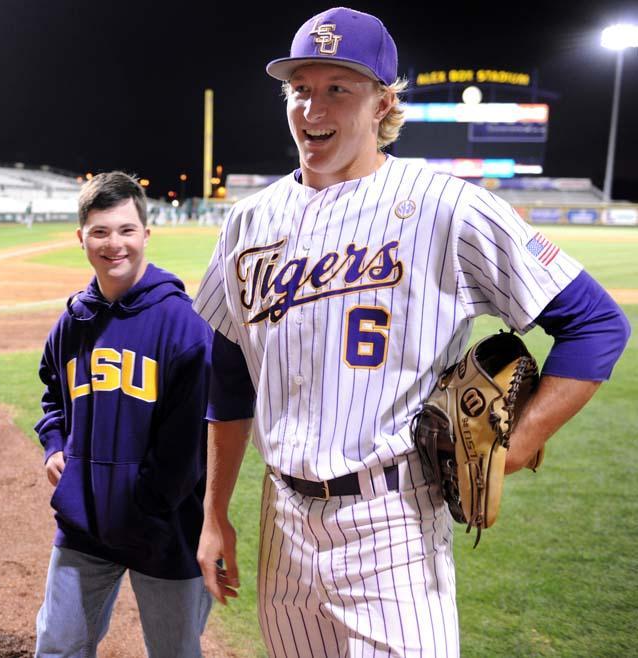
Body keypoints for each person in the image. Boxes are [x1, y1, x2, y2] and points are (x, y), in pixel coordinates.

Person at [193, 7, 631, 657]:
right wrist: (213, 513)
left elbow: (596, 323)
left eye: (338, 88)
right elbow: (228, 376)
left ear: (383, 103)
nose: (314, 108)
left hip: (391, 524)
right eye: (301, 89)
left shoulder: (447, 206)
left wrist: (517, 444)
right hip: (280, 520)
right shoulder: (249, 223)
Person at [34, 171, 213, 657]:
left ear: (146, 235)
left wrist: (147, 506)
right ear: (82, 238)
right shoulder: (74, 321)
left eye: (126, 230)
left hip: (165, 530)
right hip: (84, 525)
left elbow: (190, 444)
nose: (114, 244)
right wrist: (54, 443)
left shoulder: (184, 325)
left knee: (173, 653)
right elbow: (53, 391)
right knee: (57, 647)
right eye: (100, 231)